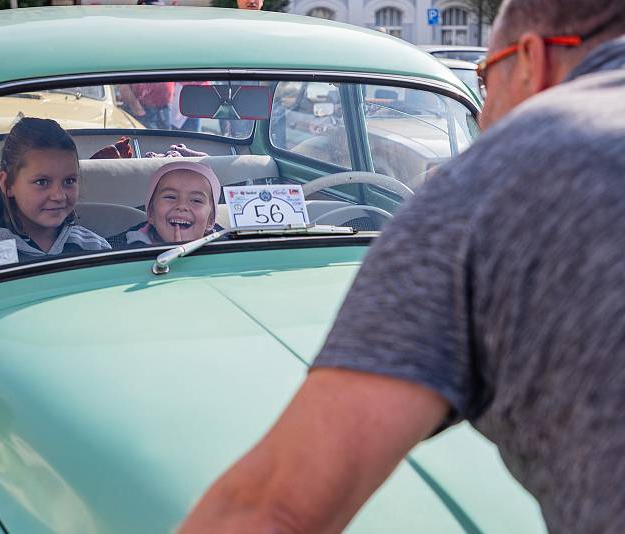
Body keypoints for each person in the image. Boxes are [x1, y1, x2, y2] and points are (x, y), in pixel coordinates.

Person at [180, 1, 625, 532]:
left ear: (530, 60)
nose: (484, 115)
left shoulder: (499, 180)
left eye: (486, 78)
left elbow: (272, 509)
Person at [0, 118, 110, 269]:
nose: (59, 195)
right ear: (7, 184)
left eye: (69, 181)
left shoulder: (93, 246)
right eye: (42, 182)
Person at [110, 161, 221, 247]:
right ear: (151, 213)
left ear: (210, 221)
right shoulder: (119, 252)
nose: (181, 206)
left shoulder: (229, 251)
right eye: (170, 197)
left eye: (196, 200)